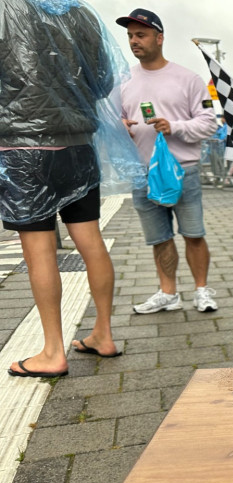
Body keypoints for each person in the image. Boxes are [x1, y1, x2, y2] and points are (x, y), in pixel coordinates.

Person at [1, 0, 128, 376]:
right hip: (79, 145)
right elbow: (103, 79)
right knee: (90, 240)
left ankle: (53, 351)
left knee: (40, 250)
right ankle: (103, 334)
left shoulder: (8, 8)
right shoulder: (82, 13)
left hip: (24, 149)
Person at [117, 8, 220, 314]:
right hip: (143, 171)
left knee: (193, 233)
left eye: (141, 35)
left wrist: (174, 126)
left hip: (182, 170)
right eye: (131, 36)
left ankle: (202, 290)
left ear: (159, 38)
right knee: (159, 238)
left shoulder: (188, 79)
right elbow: (114, 119)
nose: (135, 41)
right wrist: (119, 126)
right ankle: (168, 293)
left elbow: (209, 124)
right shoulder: (123, 80)